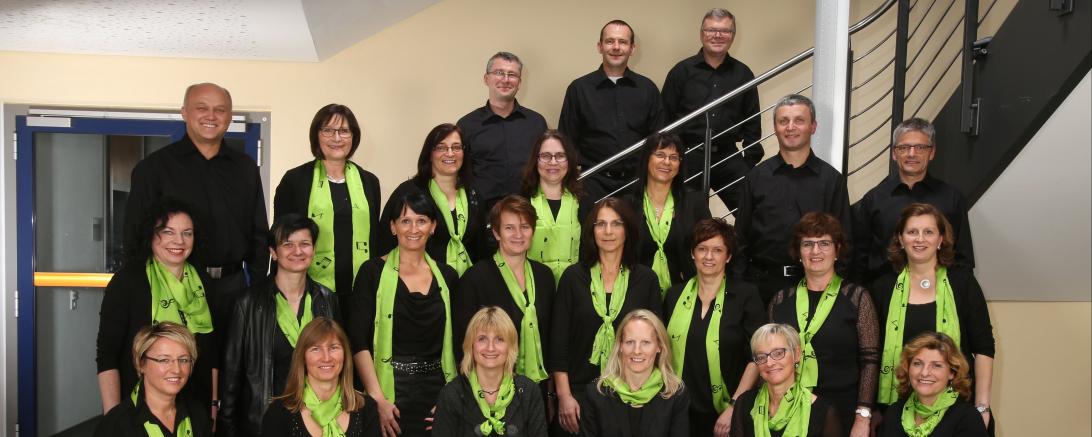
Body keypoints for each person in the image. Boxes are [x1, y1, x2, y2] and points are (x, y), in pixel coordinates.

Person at [124, 82, 269, 324]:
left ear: (230, 117)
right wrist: (141, 292)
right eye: (201, 107)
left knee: (233, 362)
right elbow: (134, 238)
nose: (211, 116)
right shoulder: (153, 168)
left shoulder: (244, 168)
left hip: (233, 290)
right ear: (184, 112)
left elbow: (259, 234)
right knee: (179, 361)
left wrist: (256, 288)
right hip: (173, 287)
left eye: (220, 110)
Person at [347, 193, 460, 437]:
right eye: (405, 221)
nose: (413, 229)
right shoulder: (372, 272)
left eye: (421, 221)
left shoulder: (448, 276)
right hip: (387, 391)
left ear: (433, 227)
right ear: (392, 227)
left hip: (437, 390)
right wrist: (377, 399)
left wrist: (450, 397)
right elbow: (358, 340)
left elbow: (461, 344)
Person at [870, 204, 994, 427]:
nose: (920, 239)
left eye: (928, 232)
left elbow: (983, 347)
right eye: (912, 232)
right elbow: (871, 353)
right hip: (897, 409)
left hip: (958, 409)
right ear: (900, 239)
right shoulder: (882, 288)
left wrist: (982, 406)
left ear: (940, 240)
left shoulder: (963, 283)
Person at [220, 214, 343, 436]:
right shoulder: (247, 303)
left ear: (314, 250)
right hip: (265, 422)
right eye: (288, 244)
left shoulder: (327, 299)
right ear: (273, 252)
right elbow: (231, 375)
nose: (298, 251)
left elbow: (340, 362)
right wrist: (226, 426)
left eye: (305, 244)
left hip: (318, 421)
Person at [548, 198, 662, 436]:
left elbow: (656, 343)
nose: (608, 231)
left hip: (632, 393)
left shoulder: (646, 280)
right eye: (600, 224)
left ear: (627, 231)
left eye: (616, 224)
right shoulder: (572, 278)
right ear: (591, 231)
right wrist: (564, 396)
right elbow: (558, 344)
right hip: (578, 395)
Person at [97, 198, 219, 413]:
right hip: (138, 407)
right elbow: (107, 354)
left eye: (187, 233)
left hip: (195, 407)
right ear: (150, 235)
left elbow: (212, 354)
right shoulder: (128, 281)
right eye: (168, 232)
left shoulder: (204, 283)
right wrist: (113, 416)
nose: (179, 241)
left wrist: (213, 404)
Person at [732, 94, 852, 305]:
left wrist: (836, 289)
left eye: (799, 120)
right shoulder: (756, 178)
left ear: (813, 126)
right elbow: (741, 240)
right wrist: (742, 288)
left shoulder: (832, 180)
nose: (790, 127)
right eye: (783, 121)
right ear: (775, 128)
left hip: (819, 287)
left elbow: (845, 240)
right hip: (762, 289)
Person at [766, 212, 879, 436]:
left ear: (837, 250)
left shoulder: (857, 297)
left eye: (824, 243)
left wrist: (863, 416)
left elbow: (870, 361)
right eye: (807, 244)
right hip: (787, 409)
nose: (815, 251)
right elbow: (766, 358)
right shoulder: (780, 300)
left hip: (841, 411)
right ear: (798, 252)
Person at [664, 218, 765, 437]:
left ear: (728, 256)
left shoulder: (747, 295)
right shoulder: (673, 296)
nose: (709, 257)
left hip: (726, 414)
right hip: (678, 410)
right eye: (702, 249)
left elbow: (757, 357)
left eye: (717, 250)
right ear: (693, 253)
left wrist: (734, 407)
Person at [274, 104, 382, 295]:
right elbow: (281, 238)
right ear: (316, 135)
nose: (337, 138)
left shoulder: (369, 182)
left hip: (362, 289)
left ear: (354, 136)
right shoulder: (295, 180)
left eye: (344, 131)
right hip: (307, 289)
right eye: (328, 130)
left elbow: (376, 238)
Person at [662, 8, 762, 212]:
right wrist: (672, 157)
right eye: (711, 30)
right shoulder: (681, 72)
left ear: (733, 36)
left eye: (725, 31)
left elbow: (753, 120)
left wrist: (749, 162)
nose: (717, 35)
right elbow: (665, 119)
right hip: (689, 156)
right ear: (701, 34)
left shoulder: (743, 74)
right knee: (683, 216)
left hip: (728, 158)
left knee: (753, 213)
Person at [853, 118, 974, 284]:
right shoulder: (874, 199)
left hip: (937, 295)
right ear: (894, 154)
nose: (911, 154)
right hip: (883, 297)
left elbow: (963, 258)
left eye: (920, 147)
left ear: (931, 153)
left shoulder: (952, 198)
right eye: (904, 147)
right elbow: (860, 260)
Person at [558, 19, 664, 201]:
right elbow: (566, 141)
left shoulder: (648, 89)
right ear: (600, 46)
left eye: (622, 42)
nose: (616, 47)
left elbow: (659, 139)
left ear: (632, 48)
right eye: (610, 41)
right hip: (591, 184)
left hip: (637, 184)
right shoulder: (579, 89)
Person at [456, 196, 555, 386]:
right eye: (509, 228)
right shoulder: (475, 278)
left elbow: (550, 336)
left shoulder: (545, 277)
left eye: (525, 227)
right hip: (490, 386)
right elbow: (464, 342)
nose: (518, 234)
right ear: (496, 233)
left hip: (537, 386)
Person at [377, 123, 486, 275]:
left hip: (467, 285)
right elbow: (385, 242)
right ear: (429, 154)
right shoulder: (408, 192)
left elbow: (482, 247)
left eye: (456, 147)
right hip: (420, 288)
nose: (450, 153)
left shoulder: (473, 194)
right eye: (441, 147)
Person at [433, 307, 549, 437]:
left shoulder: (529, 392)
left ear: (510, 346)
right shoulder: (451, 394)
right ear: (471, 345)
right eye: (482, 339)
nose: (490, 347)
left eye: (499, 339)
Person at [458, 52, 549, 209]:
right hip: (482, 219)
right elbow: (460, 174)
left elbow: (547, 167)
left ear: (519, 82)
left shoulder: (536, 123)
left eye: (512, 75)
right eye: (499, 73)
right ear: (486, 79)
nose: (506, 80)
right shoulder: (467, 125)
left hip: (530, 215)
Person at [262, 317, 381, 437]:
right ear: (303, 357)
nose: (326, 358)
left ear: (345, 355)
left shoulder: (367, 408)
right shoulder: (278, 413)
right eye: (316, 349)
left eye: (333, 348)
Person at [580, 309, 690, 436]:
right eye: (630, 342)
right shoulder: (595, 394)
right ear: (620, 345)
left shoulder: (676, 394)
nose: (637, 350)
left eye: (646, 342)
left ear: (659, 346)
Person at [95, 322, 214, 437]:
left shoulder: (198, 413)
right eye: (164, 360)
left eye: (183, 360)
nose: (177, 370)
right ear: (141, 364)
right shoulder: (115, 426)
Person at [628, 132, 712, 292]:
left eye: (674, 157)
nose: (667, 162)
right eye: (660, 155)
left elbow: (709, 245)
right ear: (647, 159)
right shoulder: (627, 205)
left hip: (686, 293)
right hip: (635, 294)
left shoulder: (695, 202)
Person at [729, 323, 842, 437]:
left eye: (778, 353)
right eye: (761, 357)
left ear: (797, 354)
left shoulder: (824, 411)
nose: (769, 363)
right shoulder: (744, 403)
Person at [878, 332, 987, 437]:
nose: (924, 373)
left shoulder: (967, 418)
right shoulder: (894, 412)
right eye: (917, 363)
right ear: (908, 368)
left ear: (952, 372)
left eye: (936, 365)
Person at [519, 130, 591, 282]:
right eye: (546, 156)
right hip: (532, 287)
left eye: (560, 156)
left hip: (574, 287)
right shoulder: (521, 201)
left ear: (569, 160)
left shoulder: (584, 202)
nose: (553, 162)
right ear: (535, 160)